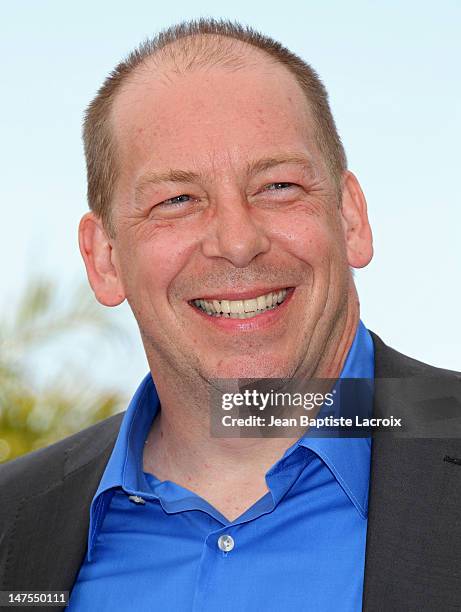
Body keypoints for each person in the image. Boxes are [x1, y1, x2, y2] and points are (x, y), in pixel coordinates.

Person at [1, 19, 460, 612]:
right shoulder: (13, 528)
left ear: (350, 219)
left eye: (277, 186)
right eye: (178, 200)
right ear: (106, 259)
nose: (237, 241)